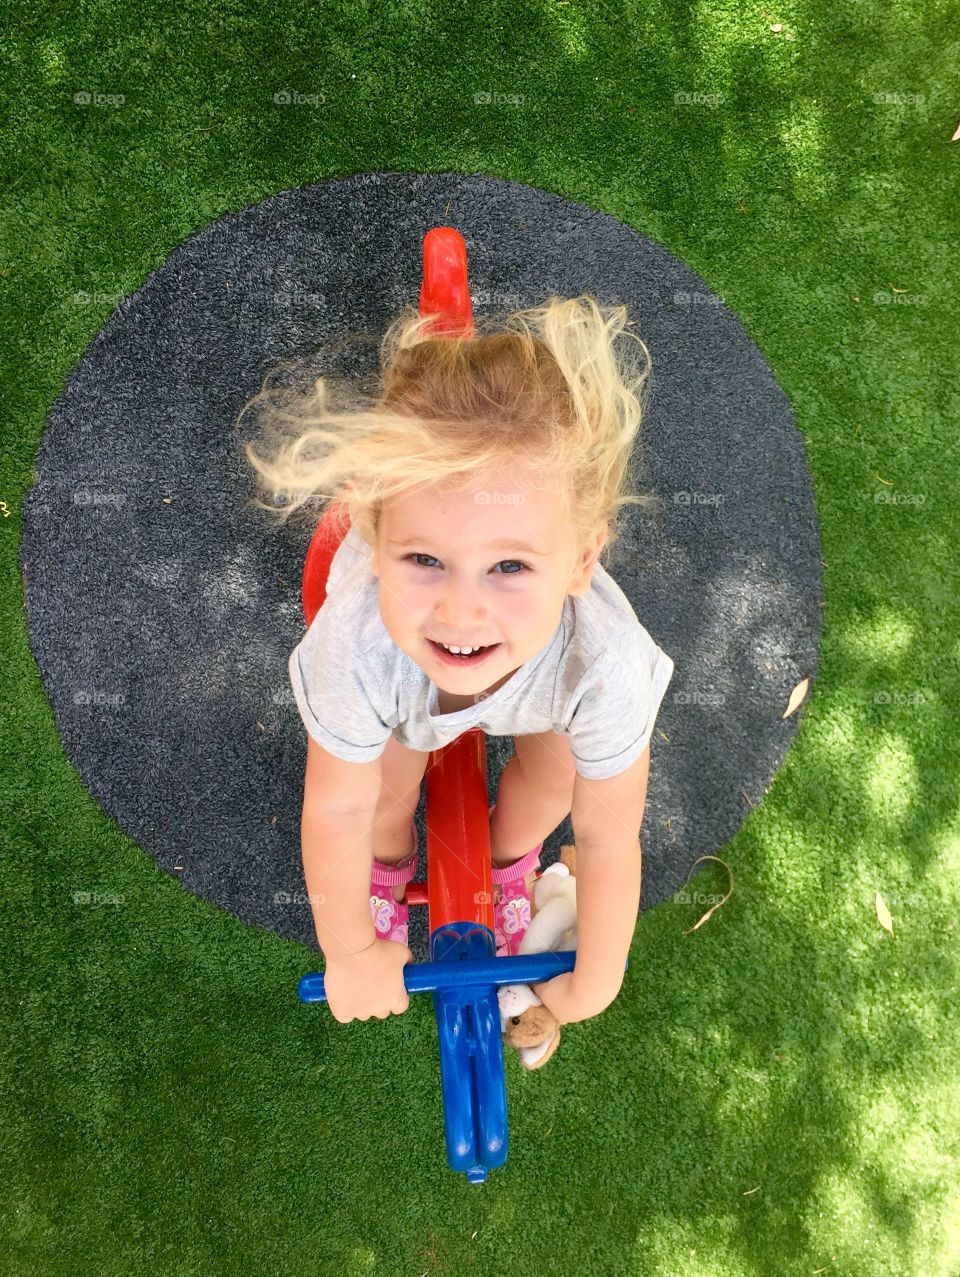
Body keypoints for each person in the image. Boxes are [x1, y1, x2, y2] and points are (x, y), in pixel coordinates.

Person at [242, 295, 675, 1027]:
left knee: (558, 774)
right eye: (423, 558)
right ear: (376, 541)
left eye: (508, 564)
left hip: (545, 686)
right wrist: (349, 950)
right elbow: (335, 805)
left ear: (581, 560)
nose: (460, 612)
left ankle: (510, 862)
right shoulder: (356, 647)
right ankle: (389, 865)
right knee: (381, 795)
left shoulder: (606, 663)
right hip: (403, 694)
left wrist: (596, 980)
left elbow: (605, 834)